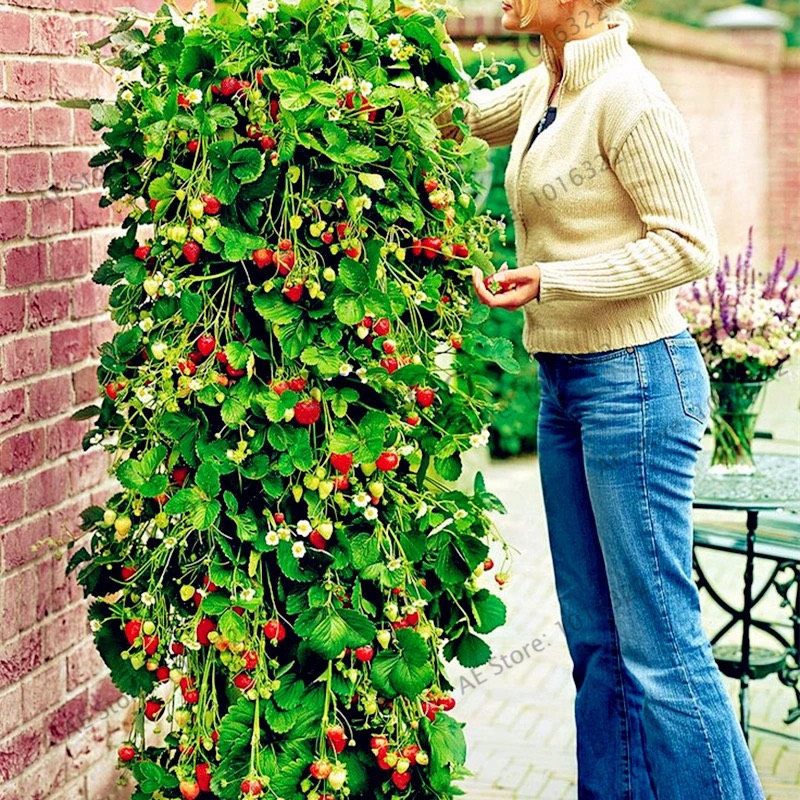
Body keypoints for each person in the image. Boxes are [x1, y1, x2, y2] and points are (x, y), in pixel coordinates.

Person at [448, 1, 767, 799]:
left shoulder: (629, 97)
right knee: (595, 642)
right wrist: (398, 34)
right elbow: (446, 113)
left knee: (659, 649)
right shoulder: (541, 88)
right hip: (566, 384)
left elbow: (690, 245)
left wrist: (553, 280)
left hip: (636, 383)